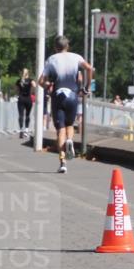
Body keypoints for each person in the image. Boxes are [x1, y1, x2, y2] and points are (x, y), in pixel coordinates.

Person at [38, 35, 92, 174]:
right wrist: (86, 88)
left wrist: (48, 87)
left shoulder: (51, 60)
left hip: (58, 96)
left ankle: (63, 162)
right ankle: (70, 140)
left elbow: (41, 81)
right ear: (67, 46)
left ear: (55, 47)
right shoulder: (77, 57)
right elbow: (89, 69)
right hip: (72, 96)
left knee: (60, 130)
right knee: (70, 125)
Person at [16, 68, 34, 138]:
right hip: (28, 98)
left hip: (21, 98)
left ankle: (21, 130)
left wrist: (19, 93)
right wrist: (31, 90)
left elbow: (16, 90)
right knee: (27, 114)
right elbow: (34, 86)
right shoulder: (30, 80)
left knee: (21, 115)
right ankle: (26, 130)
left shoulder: (19, 81)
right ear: (28, 73)